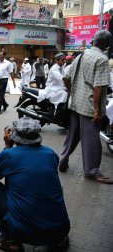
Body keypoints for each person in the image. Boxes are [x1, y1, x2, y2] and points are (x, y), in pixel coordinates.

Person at [0, 117, 70, 251]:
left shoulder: (9, 155)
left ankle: (10, 239)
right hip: (60, 230)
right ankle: (56, 240)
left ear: (15, 137)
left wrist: (7, 146)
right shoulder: (50, 153)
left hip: (24, 232)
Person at [59, 30, 113, 184]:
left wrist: (73, 92)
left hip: (75, 103)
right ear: (106, 45)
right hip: (89, 107)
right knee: (92, 142)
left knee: (72, 137)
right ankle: (91, 172)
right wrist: (97, 111)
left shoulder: (81, 55)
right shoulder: (102, 59)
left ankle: (62, 162)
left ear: (94, 41)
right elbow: (98, 88)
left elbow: (66, 77)